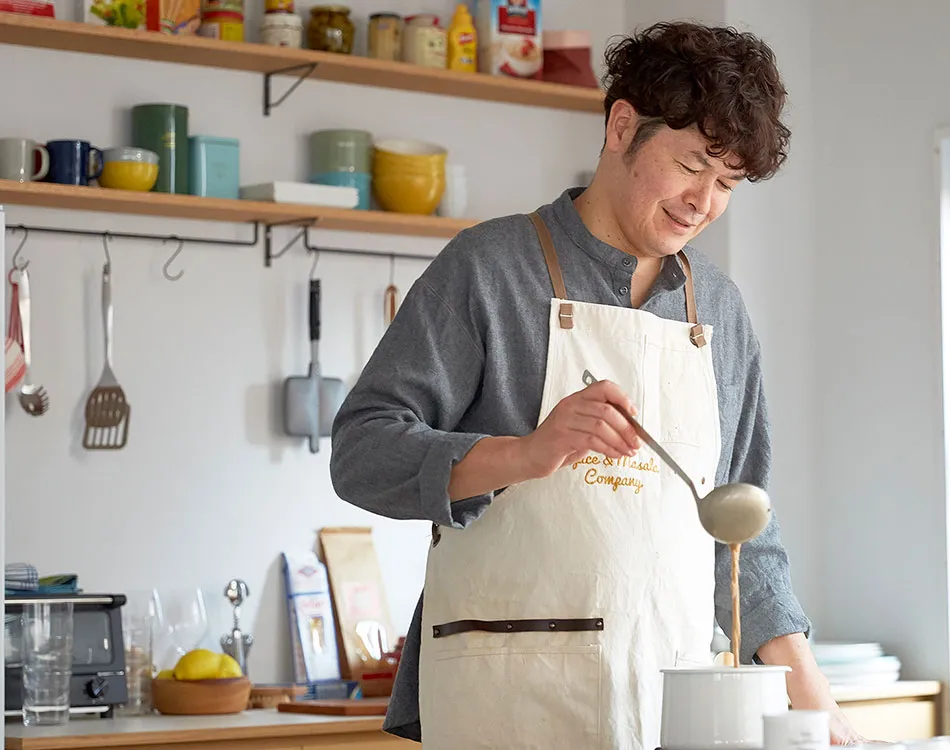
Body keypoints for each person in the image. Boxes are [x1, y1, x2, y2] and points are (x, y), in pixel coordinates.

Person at [329, 19, 864, 750]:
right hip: (510, 699)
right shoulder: (491, 267)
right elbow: (362, 453)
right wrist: (524, 453)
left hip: (675, 702)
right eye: (692, 165)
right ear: (621, 126)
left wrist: (815, 705)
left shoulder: (720, 310)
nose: (703, 202)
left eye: (727, 183)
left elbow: (741, 530)